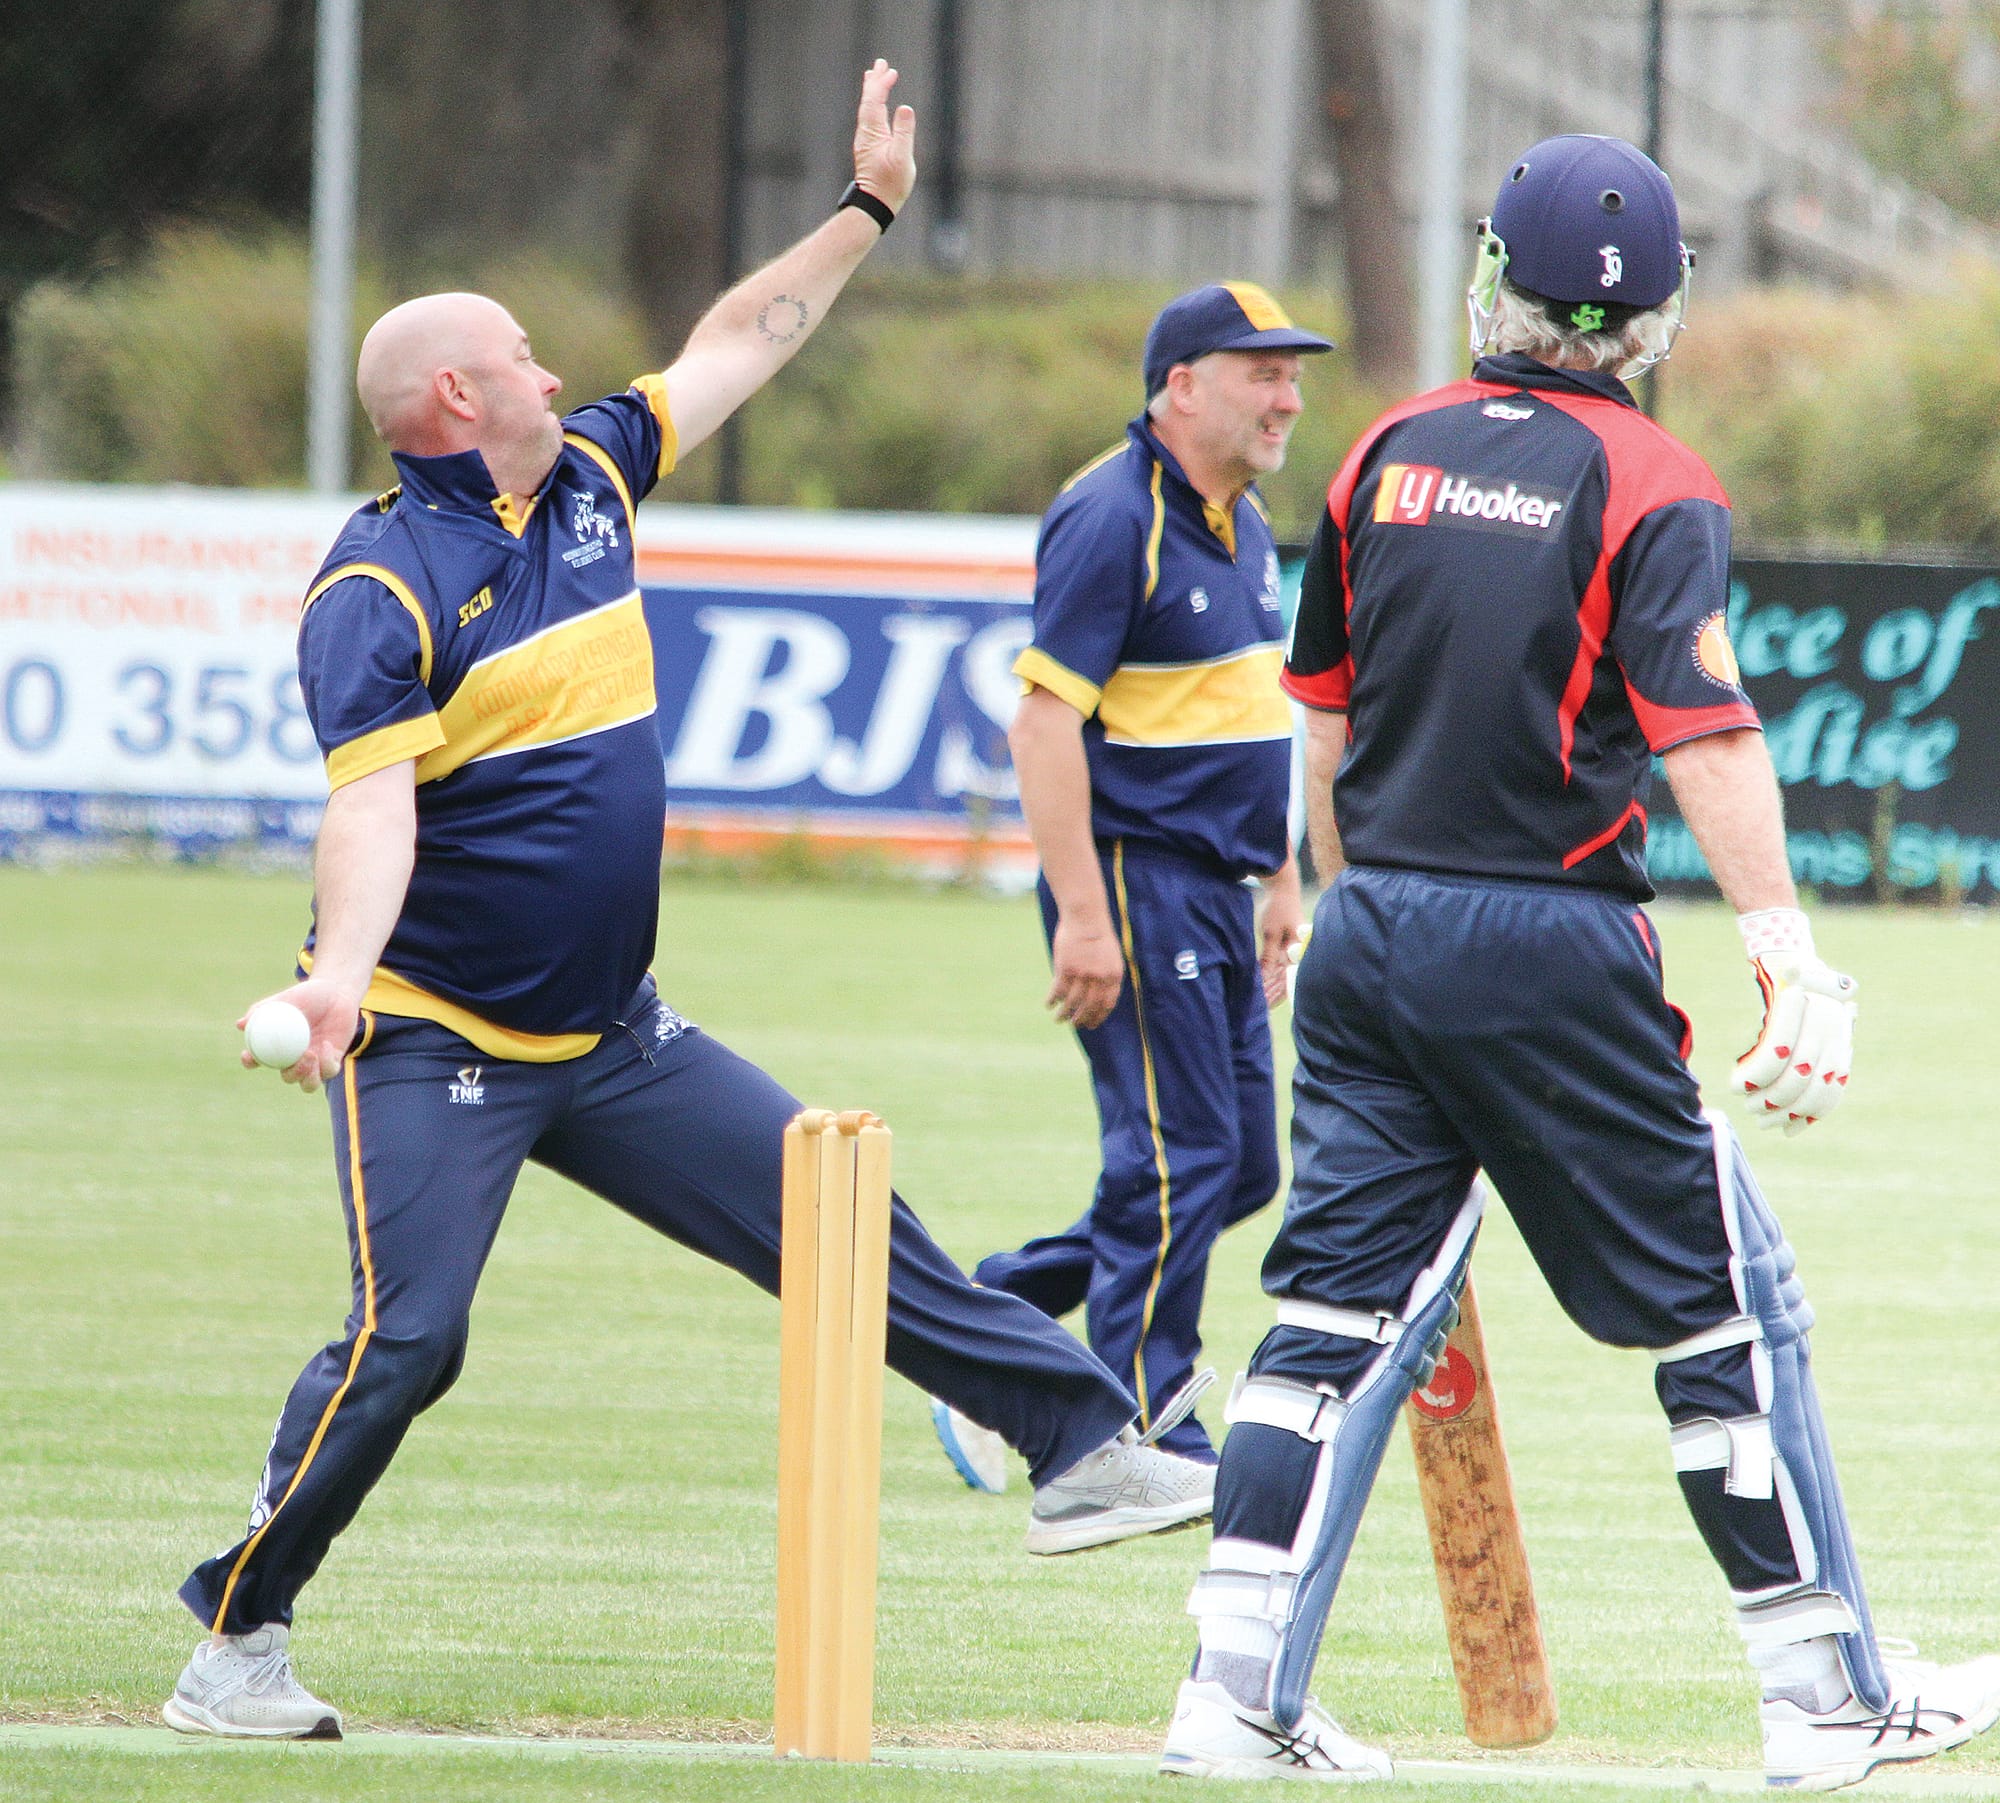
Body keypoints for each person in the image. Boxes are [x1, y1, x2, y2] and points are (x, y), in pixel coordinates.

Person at [164, 64, 1211, 1745]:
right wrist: (345, 977)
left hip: (615, 1030)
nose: (555, 368)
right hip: (440, 1037)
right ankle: (237, 1627)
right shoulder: (375, 586)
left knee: (841, 1218)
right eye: (521, 351)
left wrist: (867, 211)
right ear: (453, 392)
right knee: (411, 1337)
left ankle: (1082, 1445)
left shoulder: (588, 476)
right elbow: (368, 809)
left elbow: (746, 334)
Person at [1156, 135, 2000, 1787]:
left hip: (1373, 922)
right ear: (1656, 315)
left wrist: (1337, 904)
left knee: (1325, 1315)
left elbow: (1313, 718)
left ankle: (1229, 1686)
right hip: (1547, 939)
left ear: (1497, 281)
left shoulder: (1383, 451)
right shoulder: (1656, 484)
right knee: (1726, 1314)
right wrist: (1785, 946)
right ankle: (1823, 1694)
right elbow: (1705, 731)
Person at [928, 285, 1330, 1496]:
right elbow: (1043, 724)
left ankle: (988, 1316)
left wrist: (1277, 882)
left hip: (1217, 888)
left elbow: (1248, 716)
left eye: (1292, 374)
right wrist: (1086, 918)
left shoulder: (1242, 522)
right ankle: (1141, 1419)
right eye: (1260, 373)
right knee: (1180, 1160)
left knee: (1242, 1168)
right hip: (1133, 878)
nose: (1288, 397)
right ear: (1181, 385)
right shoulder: (1113, 515)